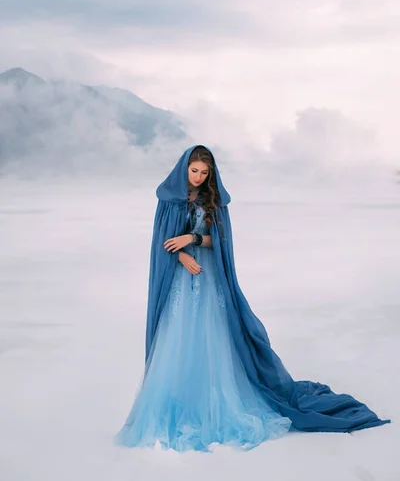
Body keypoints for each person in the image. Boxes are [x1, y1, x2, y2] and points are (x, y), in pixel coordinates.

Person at [114, 145, 390, 452]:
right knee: (177, 339)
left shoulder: (214, 200)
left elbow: (218, 241)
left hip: (208, 278)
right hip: (180, 279)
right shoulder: (168, 198)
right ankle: (177, 402)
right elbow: (161, 242)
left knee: (212, 338)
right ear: (184, 168)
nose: (198, 177)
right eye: (194, 171)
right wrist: (181, 256)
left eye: (205, 173)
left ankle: (216, 402)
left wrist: (191, 239)